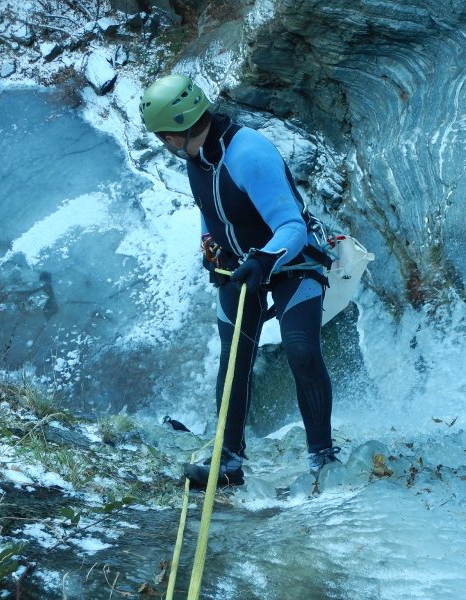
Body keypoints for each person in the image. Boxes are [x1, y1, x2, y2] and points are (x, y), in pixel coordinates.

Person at [139, 73, 340, 488]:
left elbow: (290, 225)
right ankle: (229, 457)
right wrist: (209, 244)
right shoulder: (198, 157)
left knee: (300, 349)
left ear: (175, 135)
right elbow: (210, 207)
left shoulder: (250, 154)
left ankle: (322, 454)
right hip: (237, 264)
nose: (165, 144)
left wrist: (265, 260)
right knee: (234, 359)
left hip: (292, 260)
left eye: (163, 137)